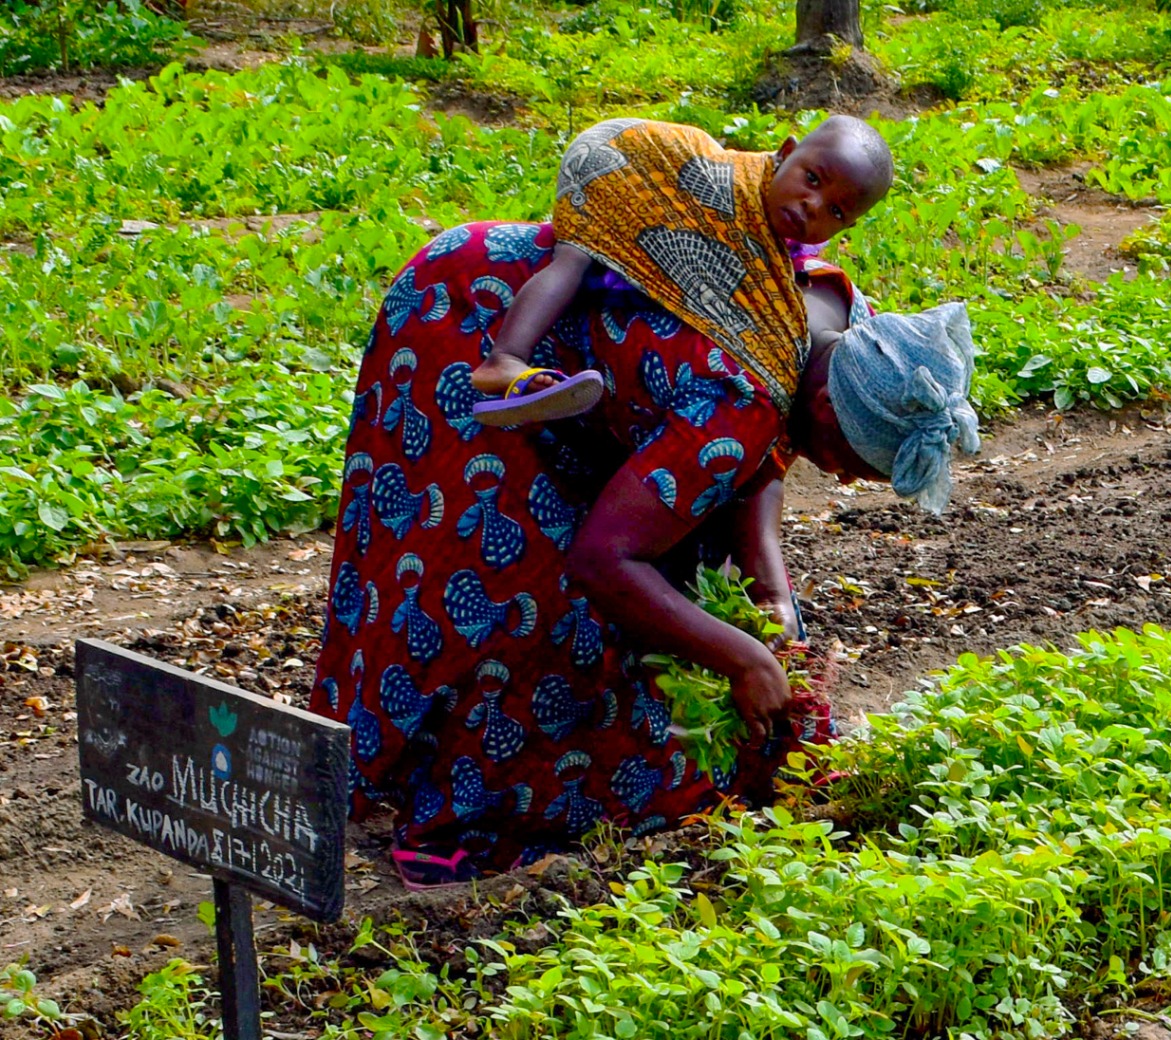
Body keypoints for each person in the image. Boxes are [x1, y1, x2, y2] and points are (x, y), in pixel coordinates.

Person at [307, 217, 978, 887]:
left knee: (677, 562)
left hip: (592, 368)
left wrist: (770, 593)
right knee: (514, 576)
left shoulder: (851, 334)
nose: (848, 479)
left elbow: (760, 463)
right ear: (829, 404)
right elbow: (604, 563)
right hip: (473, 320)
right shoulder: (737, 397)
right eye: (856, 460)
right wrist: (743, 657)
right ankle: (462, 811)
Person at [467, 115, 894, 426]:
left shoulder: (790, 244)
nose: (812, 204)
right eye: (813, 179)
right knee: (576, 259)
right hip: (621, 167)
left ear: (847, 226)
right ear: (784, 153)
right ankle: (505, 358)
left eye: (835, 209)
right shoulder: (735, 189)